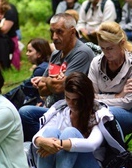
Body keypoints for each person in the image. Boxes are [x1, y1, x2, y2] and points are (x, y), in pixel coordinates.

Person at [26, 72, 113, 168]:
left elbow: (92, 144)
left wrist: (60, 143)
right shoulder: (62, 110)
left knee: (70, 133)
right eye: (68, 98)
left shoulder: (97, 113)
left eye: (76, 100)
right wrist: (42, 141)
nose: (71, 104)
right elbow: (40, 133)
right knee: (50, 132)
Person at [19, 13, 94, 142]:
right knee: (25, 113)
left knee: (27, 113)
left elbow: (60, 86)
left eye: (59, 32)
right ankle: (40, 147)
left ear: (72, 32)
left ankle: (48, 145)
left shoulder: (82, 53)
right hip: (52, 108)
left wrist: (48, 81)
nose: (54, 37)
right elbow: (42, 90)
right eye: (52, 32)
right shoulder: (55, 54)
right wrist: (52, 82)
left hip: (72, 110)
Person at [88, 22, 132, 136]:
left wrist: (98, 99)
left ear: (122, 43)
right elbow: (89, 96)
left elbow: (128, 103)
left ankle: (115, 152)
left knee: (105, 116)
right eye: (103, 48)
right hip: (98, 109)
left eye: (110, 48)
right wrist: (118, 96)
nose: (106, 53)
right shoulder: (96, 62)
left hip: (130, 111)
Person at [18, 38, 52, 105]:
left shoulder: (40, 69)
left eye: (30, 51)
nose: (27, 54)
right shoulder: (46, 65)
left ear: (39, 54)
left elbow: (26, 88)